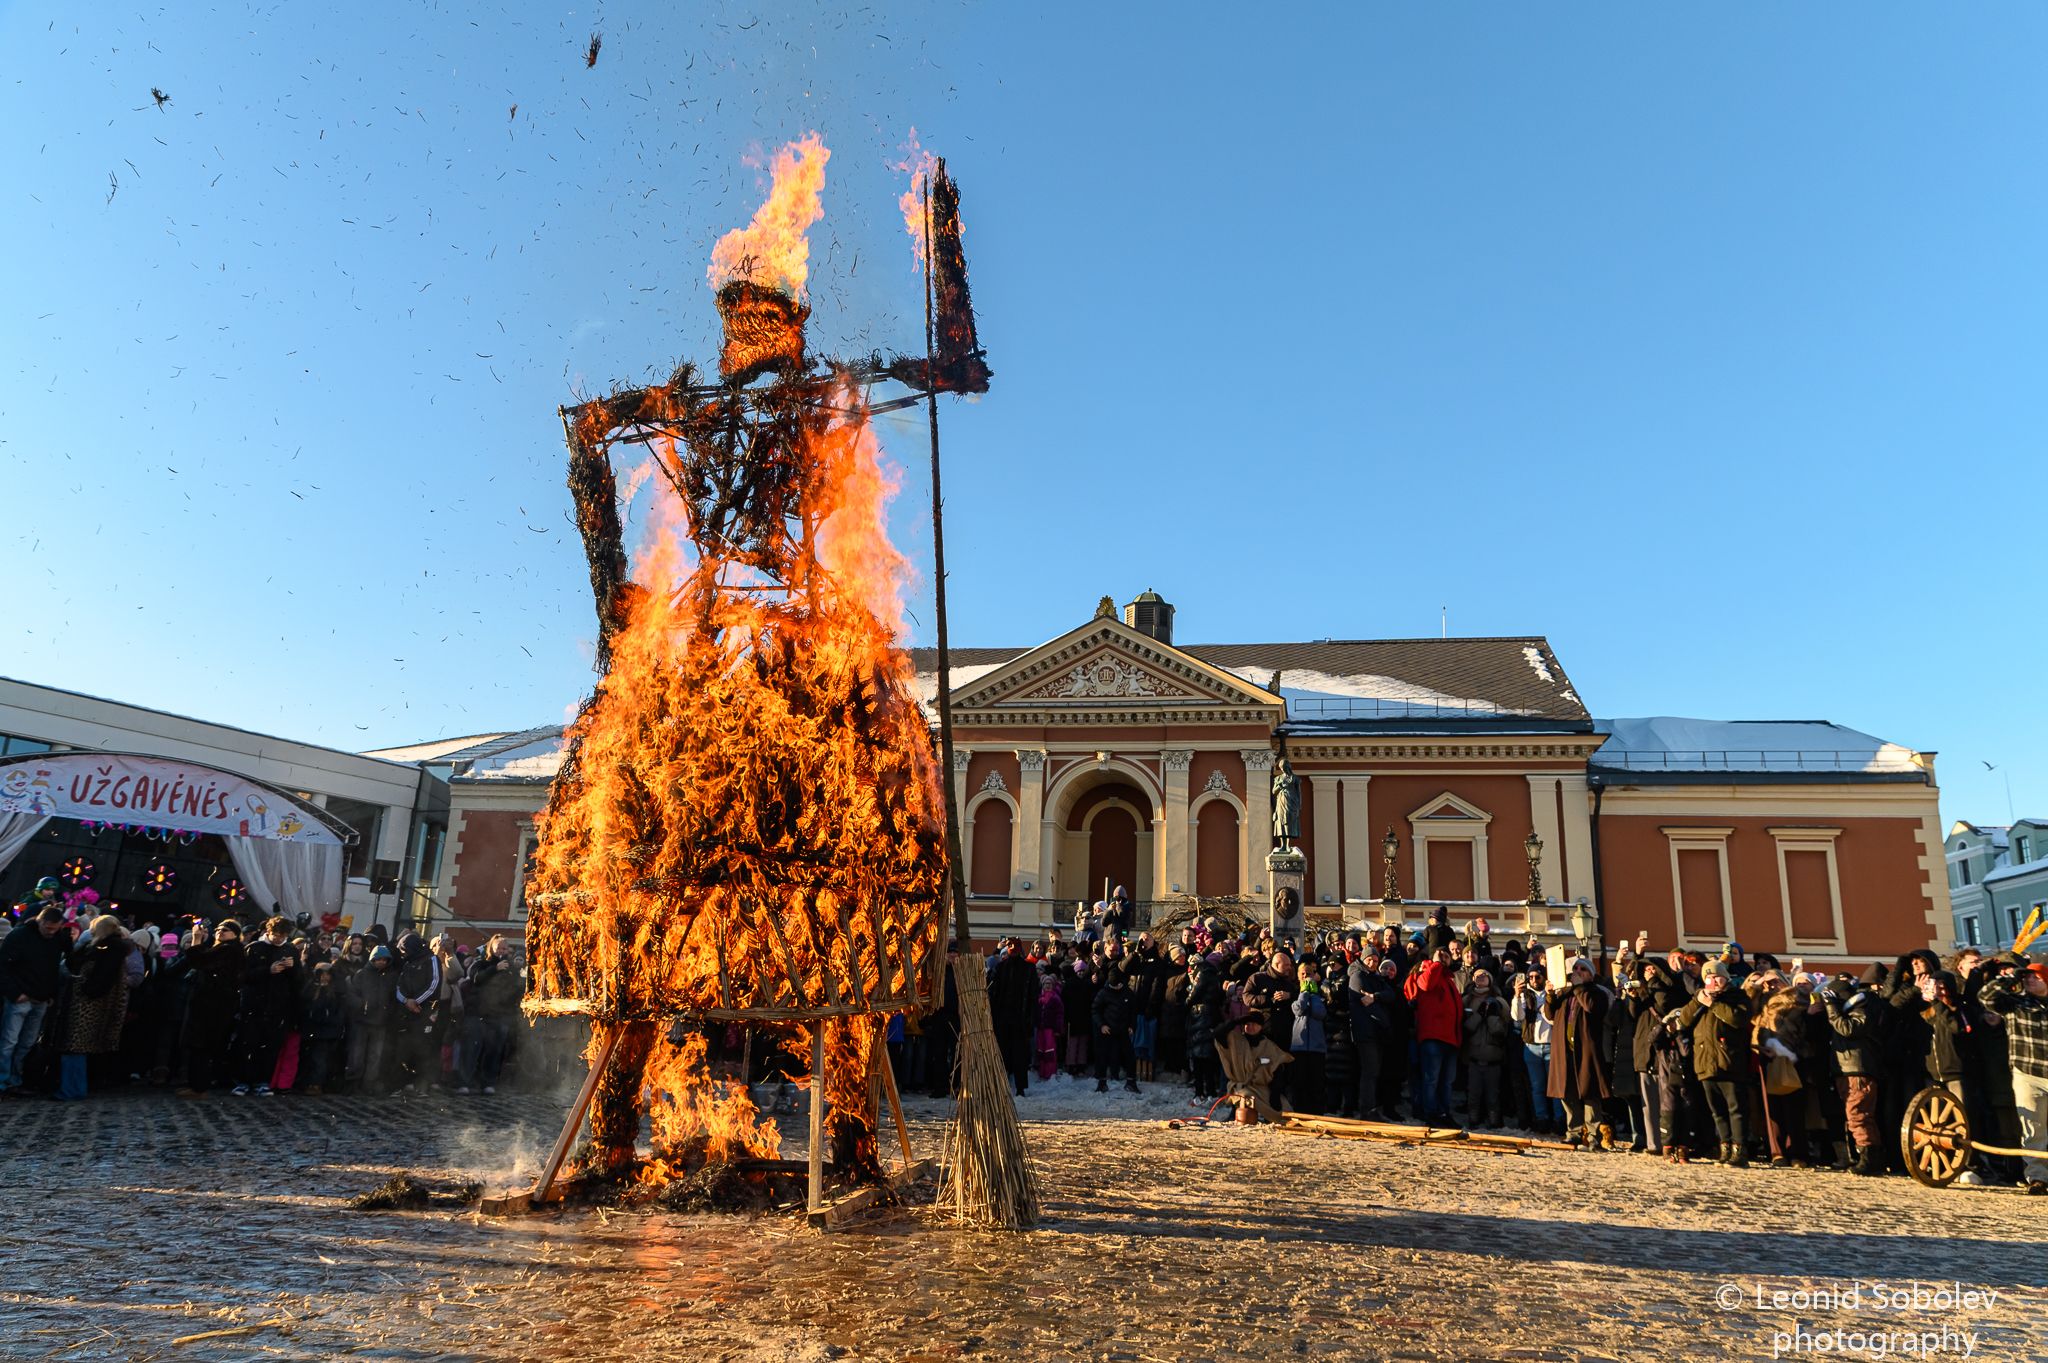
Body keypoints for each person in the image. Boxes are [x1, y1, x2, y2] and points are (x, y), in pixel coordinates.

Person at [1674, 960, 1753, 1166]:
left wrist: (1714, 1005)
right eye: (1708, 977)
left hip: (1730, 1062)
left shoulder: (1737, 997)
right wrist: (1698, 1001)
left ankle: (1740, 1151)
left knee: (1736, 1109)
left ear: (1725, 978)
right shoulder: (1699, 998)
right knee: (1717, 1111)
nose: (1713, 981)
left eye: (1717, 977)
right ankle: (1725, 1148)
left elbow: (1738, 1019)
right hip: (1705, 1063)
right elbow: (1683, 1021)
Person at [1981, 957, 2048, 1194]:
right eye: (2026, 976)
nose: (2029, 979)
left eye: (2035, 976)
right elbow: (1986, 997)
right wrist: (2011, 977)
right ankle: (2038, 1178)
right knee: (2033, 1128)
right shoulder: (2014, 1003)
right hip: (2027, 1074)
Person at [56, 916, 134, 1100]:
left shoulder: (109, 949)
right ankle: (73, 1088)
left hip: (88, 1005)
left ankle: (72, 1089)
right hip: (90, 1003)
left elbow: (101, 978)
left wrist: (85, 989)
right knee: (75, 1048)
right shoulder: (103, 947)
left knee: (75, 1047)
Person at [1822, 967, 1886, 1174]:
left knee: (1858, 1114)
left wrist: (1831, 1007)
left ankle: (1869, 1160)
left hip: (1858, 1069)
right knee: (1855, 1115)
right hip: (1848, 1069)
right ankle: (1866, 1157)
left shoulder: (1861, 1006)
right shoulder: (1850, 1009)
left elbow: (1848, 1029)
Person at [1544, 957, 1613, 1148]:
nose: (1578, 971)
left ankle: (1593, 1136)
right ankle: (1573, 1132)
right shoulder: (1565, 993)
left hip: (1586, 1051)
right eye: (1575, 968)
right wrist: (1550, 995)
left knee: (1590, 1093)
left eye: (1583, 969)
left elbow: (1591, 1007)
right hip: (1564, 1050)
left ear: (1591, 974)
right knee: (1567, 1092)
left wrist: (1579, 987)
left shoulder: (1597, 992)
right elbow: (1550, 1014)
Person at [0, 905, 68, 1096]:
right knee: (9, 1041)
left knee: (25, 1043)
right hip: (22, 997)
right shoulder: (21, 936)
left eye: (54, 929)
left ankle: (14, 1080)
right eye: (48, 928)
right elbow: (3, 966)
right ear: (40, 921)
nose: (51, 932)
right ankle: (5, 1081)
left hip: (39, 997)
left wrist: (50, 994)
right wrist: (14, 993)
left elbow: (53, 969)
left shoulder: (55, 939)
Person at [176, 919, 244, 1096]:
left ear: (235, 934)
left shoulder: (229, 950)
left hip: (213, 1005)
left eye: (226, 929)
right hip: (211, 1003)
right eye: (219, 928)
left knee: (202, 1045)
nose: (221, 931)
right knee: (200, 1046)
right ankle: (196, 1085)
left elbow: (199, 961)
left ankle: (199, 1087)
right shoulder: (223, 948)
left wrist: (196, 940)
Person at [233, 917, 299, 1096]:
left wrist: (293, 968)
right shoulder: (254, 948)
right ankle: (243, 1081)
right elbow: (242, 975)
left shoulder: (290, 950)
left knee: (270, 1046)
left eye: (283, 936)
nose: (279, 939)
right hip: (254, 1005)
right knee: (248, 1044)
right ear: (268, 932)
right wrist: (267, 970)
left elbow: (298, 981)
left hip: (278, 1007)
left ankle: (263, 1081)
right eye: (276, 935)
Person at [1405, 950, 1463, 1126]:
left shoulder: (1449, 980)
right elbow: (1426, 984)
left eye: (1447, 956)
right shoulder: (1425, 974)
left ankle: (1443, 1112)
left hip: (1451, 1038)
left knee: (1447, 1081)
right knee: (1431, 1078)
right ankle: (1430, 1113)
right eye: (1441, 955)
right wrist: (1436, 963)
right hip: (1432, 1036)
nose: (1444, 958)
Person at [468, 935, 523, 1093]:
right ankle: (471, 1081)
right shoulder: (482, 963)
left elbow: (517, 989)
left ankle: (489, 1082)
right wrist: (495, 969)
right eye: (499, 948)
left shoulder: (511, 968)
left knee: (495, 1050)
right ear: (491, 948)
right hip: (482, 1014)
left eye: (504, 948)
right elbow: (476, 979)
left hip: (502, 1015)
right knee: (476, 1049)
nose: (502, 951)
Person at [986, 938, 1039, 1097]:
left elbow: (1033, 995)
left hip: (1020, 1018)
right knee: (1002, 1053)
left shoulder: (1029, 968)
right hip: (1002, 1017)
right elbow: (992, 993)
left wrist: (1030, 1019)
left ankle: (1020, 1087)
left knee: (1019, 1054)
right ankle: (1002, 1084)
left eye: (1015, 946)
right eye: (1010, 945)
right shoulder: (1000, 968)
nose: (1013, 948)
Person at [1462, 968, 1513, 1128]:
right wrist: (1479, 1015)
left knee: (1493, 1093)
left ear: (1490, 979)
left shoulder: (1499, 1001)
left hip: (1493, 1055)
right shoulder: (1466, 1000)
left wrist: (1491, 1016)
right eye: (1477, 975)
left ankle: (1494, 1121)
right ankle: (1473, 1119)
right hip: (1473, 1054)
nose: (1481, 977)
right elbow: (1465, 1028)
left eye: (1485, 975)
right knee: (1473, 1092)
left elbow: (1503, 1030)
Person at [346, 944, 400, 1093]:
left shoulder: (390, 977)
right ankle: (353, 1083)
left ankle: (368, 1085)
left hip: (380, 1022)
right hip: (362, 1021)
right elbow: (351, 995)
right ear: (373, 959)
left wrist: (388, 1012)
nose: (382, 962)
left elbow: (393, 999)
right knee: (357, 1055)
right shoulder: (361, 975)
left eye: (385, 960)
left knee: (375, 1056)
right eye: (379, 959)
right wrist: (361, 1005)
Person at [1511, 964, 1558, 1135]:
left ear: (1544, 977)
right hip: (1531, 1046)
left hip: (1551, 1045)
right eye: (1530, 977)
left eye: (1537, 977)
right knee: (1537, 1087)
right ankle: (1542, 1119)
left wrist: (1550, 994)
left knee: (1555, 1087)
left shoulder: (1552, 992)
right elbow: (1517, 1017)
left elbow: (1554, 1017)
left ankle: (1559, 1120)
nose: (1533, 980)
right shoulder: (1525, 994)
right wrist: (1517, 996)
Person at [298, 963, 348, 1094]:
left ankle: (316, 1084)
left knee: (320, 1059)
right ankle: (308, 1083)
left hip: (326, 1031)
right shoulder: (310, 987)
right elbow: (305, 1005)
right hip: (311, 1029)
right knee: (310, 1058)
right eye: (322, 974)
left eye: (328, 974)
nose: (325, 977)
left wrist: (332, 1023)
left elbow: (338, 1011)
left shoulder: (336, 990)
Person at [1091, 964, 1139, 1093]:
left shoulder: (1128, 992)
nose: (1117, 987)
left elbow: (1133, 1011)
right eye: (1114, 986)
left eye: (1119, 985)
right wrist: (1102, 1025)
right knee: (1103, 1056)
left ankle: (1131, 1082)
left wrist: (1132, 1025)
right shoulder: (1103, 993)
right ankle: (1102, 1082)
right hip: (1108, 1029)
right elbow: (1095, 1010)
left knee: (1130, 1056)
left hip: (1123, 1029)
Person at [1288, 959, 1328, 1115]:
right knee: (1299, 1082)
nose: (1306, 976)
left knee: (1316, 1082)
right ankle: (1300, 1111)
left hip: (1317, 1046)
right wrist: (1304, 993)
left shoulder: (1320, 993)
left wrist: (1314, 994)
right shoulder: (1294, 992)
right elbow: (1298, 1009)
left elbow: (1320, 1013)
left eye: (1309, 974)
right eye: (1303, 974)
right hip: (1299, 1045)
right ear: (1298, 976)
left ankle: (1317, 1112)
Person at [1034, 965, 1065, 1083]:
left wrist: (1058, 1029)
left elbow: (1060, 1015)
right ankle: (1042, 1071)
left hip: (1050, 1029)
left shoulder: (1055, 998)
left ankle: (1050, 1072)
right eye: (1045, 984)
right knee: (1041, 1049)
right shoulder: (1039, 998)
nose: (1047, 986)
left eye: (1050, 984)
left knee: (1050, 1050)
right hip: (1041, 1028)